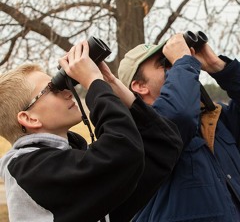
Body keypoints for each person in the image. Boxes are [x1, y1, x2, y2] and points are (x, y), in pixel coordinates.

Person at [0, 40, 183, 222]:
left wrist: (109, 83)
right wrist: (93, 82)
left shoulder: (67, 163)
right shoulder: (29, 170)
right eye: (52, 89)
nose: (68, 92)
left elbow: (165, 146)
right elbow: (123, 152)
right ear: (29, 118)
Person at [118, 33, 240, 222]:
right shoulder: (137, 135)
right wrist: (184, 62)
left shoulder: (213, 119)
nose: (175, 67)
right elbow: (177, 117)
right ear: (140, 86)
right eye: (164, 63)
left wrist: (219, 67)